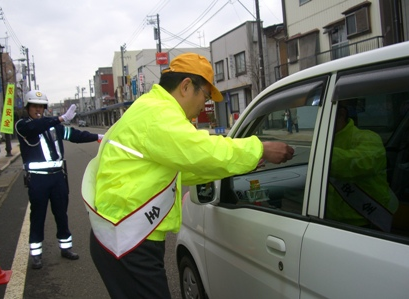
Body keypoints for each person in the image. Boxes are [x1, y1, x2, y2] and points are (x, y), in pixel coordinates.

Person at [82, 52, 294, 299]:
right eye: (204, 96)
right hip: (128, 240)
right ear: (186, 87)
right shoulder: (159, 115)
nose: (204, 106)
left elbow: (185, 168)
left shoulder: (149, 107)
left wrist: (248, 162)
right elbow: (202, 151)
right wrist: (260, 148)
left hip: (123, 236)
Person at [15, 90, 103, 270]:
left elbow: (74, 135)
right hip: (38, 180)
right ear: (28, 108)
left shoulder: (54, 126)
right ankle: (36, 254)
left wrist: (97, 137)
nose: (38, 109)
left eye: (41, 106)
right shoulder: (23, 125)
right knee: (38, 216)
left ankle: (65, 247)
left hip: (57, 177)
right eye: (34, 106)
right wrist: (60, 118)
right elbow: (35, 128)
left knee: (61, 214)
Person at [326, 102, 398, 232]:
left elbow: (355, 165)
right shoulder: (325, 140)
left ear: (341, 114)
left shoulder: (368, 138)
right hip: (331, 223)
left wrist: (319, 153)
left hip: (366, 223)